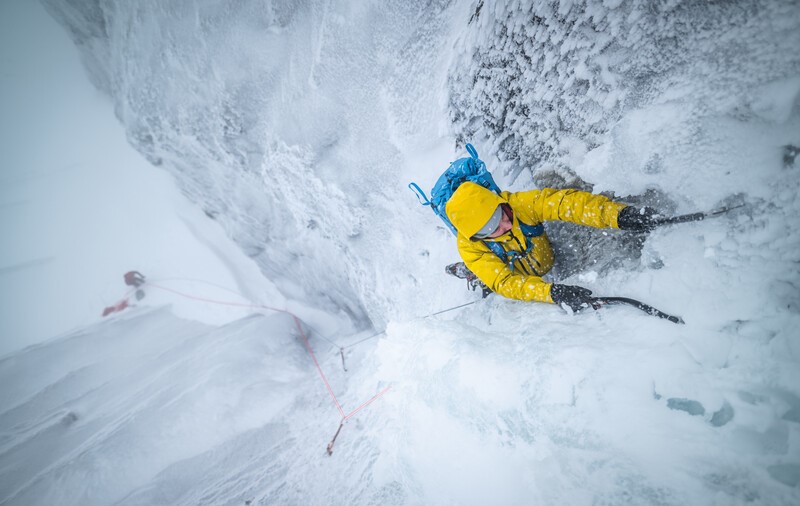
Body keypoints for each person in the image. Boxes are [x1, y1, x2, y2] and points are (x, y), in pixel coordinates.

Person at [445, 182, 659, 313]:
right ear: (478, 236)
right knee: (487, 279)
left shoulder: (519, 205)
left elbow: (566, 204)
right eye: (494, 228)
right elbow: (505, 282)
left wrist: (619, 215)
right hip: (508, 271)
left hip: (543, 261)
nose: (507, 225)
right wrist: (551, 292)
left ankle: (472, 270)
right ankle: (468, 271)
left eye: (501, 214)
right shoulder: (471, 247)